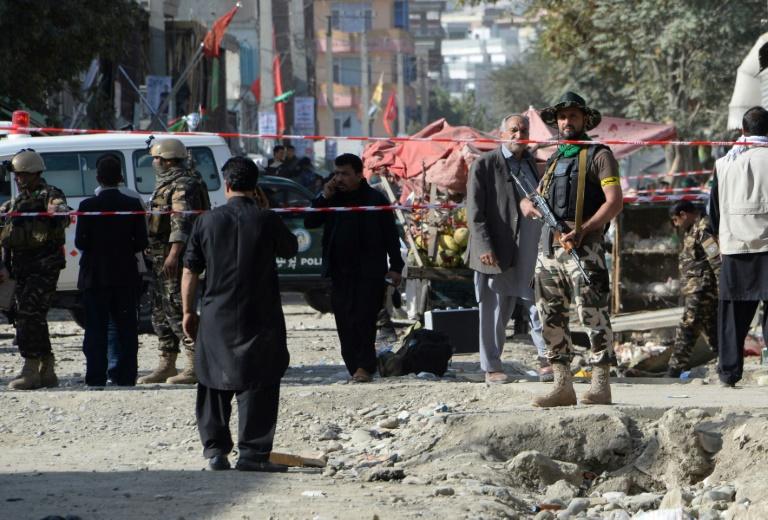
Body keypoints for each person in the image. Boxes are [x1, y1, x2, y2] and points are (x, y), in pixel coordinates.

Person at [182, 156, 298, 471]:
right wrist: (267, 209)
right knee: (259, 381)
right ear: (255, 185)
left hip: (216, 313)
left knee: (211, 381)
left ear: (227, 184)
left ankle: (216, 453)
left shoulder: (205, 221)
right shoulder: (267, 220)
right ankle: (253, 455)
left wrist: (187, 312)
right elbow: (290, 249)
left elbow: (190, 271)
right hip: (260, 314)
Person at [524, 92, 623, 407]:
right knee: (549, 315)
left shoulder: (599, 154)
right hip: (549, 249)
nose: (567, 122)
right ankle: (562, 385)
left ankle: (600, 385)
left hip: (585, 247)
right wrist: (528, 204)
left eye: (573, 116)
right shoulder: (554, 158)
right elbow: (535, 196)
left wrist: (584, 229)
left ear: (584, 120)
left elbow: (614, 202)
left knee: (592, 313)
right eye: (562, 117)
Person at [304, 153, 404, 383]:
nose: (339, 178)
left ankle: (364, 366)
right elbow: (310, 222)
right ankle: (354, 365)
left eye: (345, 174)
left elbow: (391, 236)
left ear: (359, 175)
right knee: (345, 320)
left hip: (370, 272)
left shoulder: (375, 200)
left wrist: (396, 267)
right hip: (339, 272)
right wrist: (323, 197)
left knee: (365, 319)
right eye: (336, 173)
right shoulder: (331, 198)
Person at [467, 114, 548, 384]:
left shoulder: (531, 164)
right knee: (495, 308)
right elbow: (475, 214)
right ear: (502, 134)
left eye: (523, 131)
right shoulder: (485, 164)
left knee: (536, 302)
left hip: (529, 248)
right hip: (496, 248)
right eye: (513, 130)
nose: (518, 135)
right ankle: (492, 366)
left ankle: (546, 359)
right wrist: (483, 246)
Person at [138, 138, 210, 385]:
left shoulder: (183, 184)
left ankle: (195, 363)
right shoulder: (167, 183)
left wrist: (173, 254)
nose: (154, 163)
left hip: (176, 257)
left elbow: (181, 220)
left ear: (167, 159)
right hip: (160, 256)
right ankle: (167, 362)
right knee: (160, 311)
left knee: (177, 307)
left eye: (156, 158)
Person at [75, 154, 148, 386]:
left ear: (98, 178)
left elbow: (80, 243)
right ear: (121, 178)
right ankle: (125, 376)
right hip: (125, 275)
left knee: (96, 328)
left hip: (95, 276)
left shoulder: (87, 206)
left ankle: (95, 376)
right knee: (126, 328)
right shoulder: (132, 205)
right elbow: (141, 242)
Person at [708, 105, 768, 388]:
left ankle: (729, 373)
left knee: (733, 315)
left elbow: (714, 210)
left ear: (743, 131)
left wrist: (722, 237)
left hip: (735, 247)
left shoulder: (725, 162)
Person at [0, 149, 70, 390]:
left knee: (29, 315)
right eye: (16, 176)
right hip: (20, 268)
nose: (18, 179)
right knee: (32, 317)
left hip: (43, 267)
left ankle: (31, 368)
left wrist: (54, 213)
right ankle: (47, 368)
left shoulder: (50, 194)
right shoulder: (15, 202)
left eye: (21, 175)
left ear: (33, 173)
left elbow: (62, 215)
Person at [666, 200, 720, 377]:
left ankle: (674, 369)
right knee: (713, 330)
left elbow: (715, 257)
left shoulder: (703, 228)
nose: (676, 224)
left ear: (684, 214)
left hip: (703, 289)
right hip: (696, 288)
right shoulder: (692, 229)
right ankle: (728, 362)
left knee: (688, 327)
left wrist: (722, 285)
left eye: (676, 220)